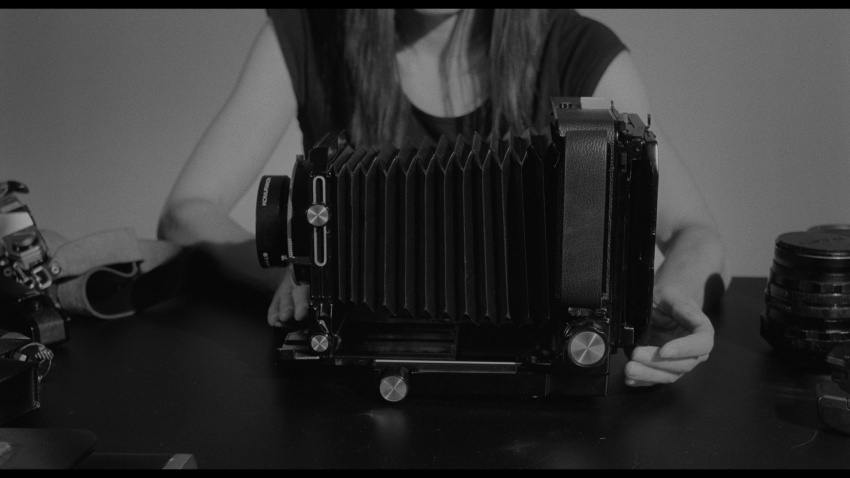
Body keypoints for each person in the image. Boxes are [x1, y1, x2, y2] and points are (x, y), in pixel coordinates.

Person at [158, 9, 730, 387]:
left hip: (532, 400)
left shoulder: (577, 47)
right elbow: (187, 211)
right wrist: (305, 272)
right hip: (353, 395)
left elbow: (693, 231)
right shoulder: (310, 31)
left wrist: (665, 300)